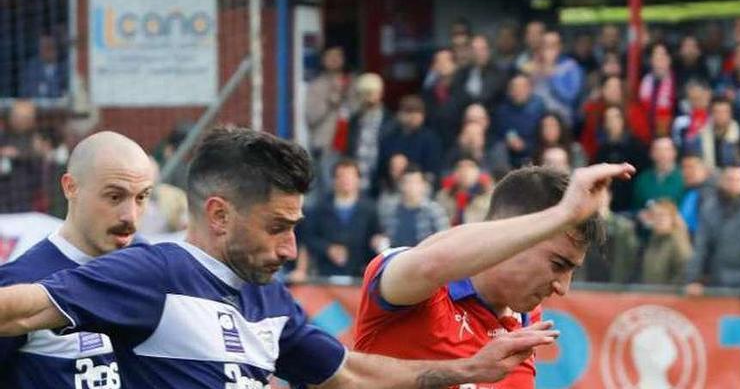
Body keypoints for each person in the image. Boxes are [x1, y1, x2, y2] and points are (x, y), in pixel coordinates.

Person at [0, 127, 559, 388]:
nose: (290, 249)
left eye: (142, 196)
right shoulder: (152, 272)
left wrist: (470, 369)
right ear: (219, 215)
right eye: (276, 228)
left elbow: (349, 373)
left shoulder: (270, 299)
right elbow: (20, 309)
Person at [354, 163, 636, 388]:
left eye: (571, 269)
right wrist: (561, 215)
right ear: (512, 238)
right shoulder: (412, 283)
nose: (563, 287)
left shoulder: (526, 319)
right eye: (558, 264)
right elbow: (431, 263)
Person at [0, 131, 154, 388]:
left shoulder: (152, 271)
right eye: (114, 197)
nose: (131, 216)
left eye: (142, 197)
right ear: (70, 187)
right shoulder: (20, 284)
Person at [685, 163, 740, 298]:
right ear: (721, 181)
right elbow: (700, 247)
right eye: (730, 179)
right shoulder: (709, 208)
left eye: (739, 180)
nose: (734, 184)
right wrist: (693, 279)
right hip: (716, 279)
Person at [302, 159, 383, 277]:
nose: (346, 181)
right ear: (334, 180)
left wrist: (377, 242)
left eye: (350, 177)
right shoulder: (320, 208)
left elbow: (377, 236)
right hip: (325, 275)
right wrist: (328, 249)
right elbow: (309, 238)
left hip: (359, 275)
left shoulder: (369, 209)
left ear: (358, 180)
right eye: (342, 176)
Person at [640, 200, 693, 286]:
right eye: (655, 216)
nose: (659, 219)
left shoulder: (679, 242)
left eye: (663, 215)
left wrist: (669, 292)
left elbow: (684, 271)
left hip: (668, 296)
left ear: (672, 218)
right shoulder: (652, 241)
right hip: (649, 295)